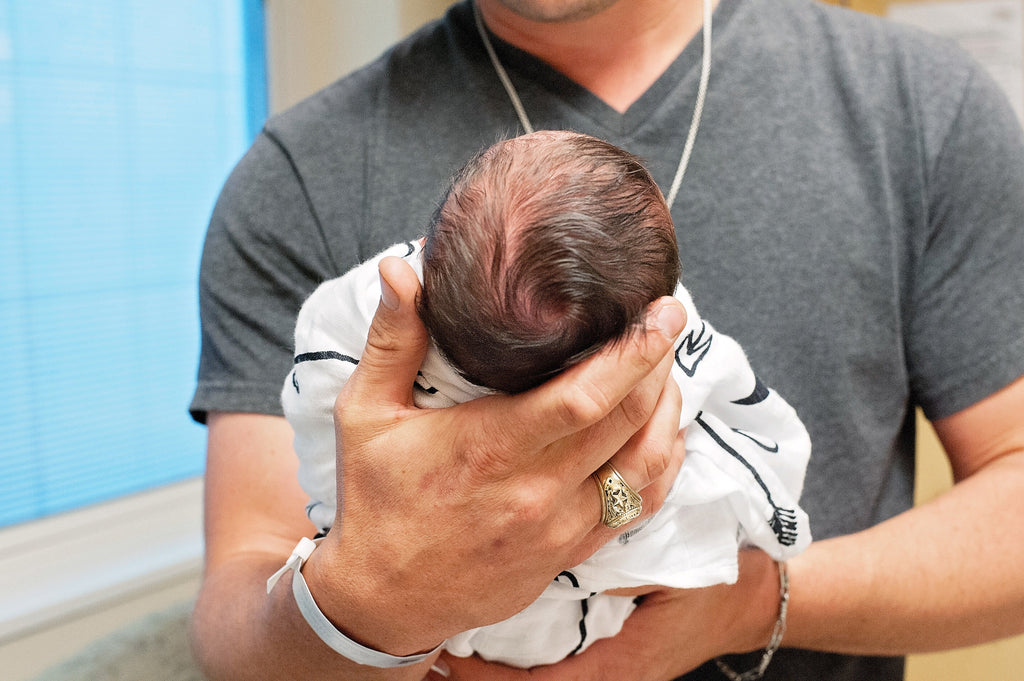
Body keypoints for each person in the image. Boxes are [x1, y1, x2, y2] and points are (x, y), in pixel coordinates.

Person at [188, 0, 1024, 679]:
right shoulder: (296, 178)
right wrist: (373, 603)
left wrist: (743, 598)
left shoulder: (918, 105)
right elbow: (242, 604)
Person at [279, 130, 812, 668]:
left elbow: (319, 396)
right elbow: (736, 421)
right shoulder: (659, 337)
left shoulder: (364, 312)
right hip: (542, 624)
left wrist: (738, 605)